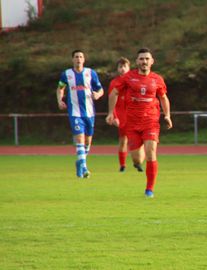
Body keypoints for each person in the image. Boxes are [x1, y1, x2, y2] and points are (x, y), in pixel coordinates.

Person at [106, 48, 173, 198]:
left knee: (151, 153)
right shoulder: (128, 77)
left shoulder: (157, 79)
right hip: (132, 123)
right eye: (141, 59)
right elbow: (114, 93)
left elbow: (163, 98)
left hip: (150, 121)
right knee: (137, 158)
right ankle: (138, 157)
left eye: (147, 59)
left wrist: (167, 115)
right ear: (137, 62)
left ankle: (149, 189)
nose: (144, 61)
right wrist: (111, 113)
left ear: (152, 61)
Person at [56, 49, 104, 178]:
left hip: (89, 113)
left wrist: (98, 95)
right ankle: (85, 168)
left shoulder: (91, 73)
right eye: (76, 56)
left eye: (80, 57)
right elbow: (60, 88)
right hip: (75, 113)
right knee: (80, 139)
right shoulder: (66, 74)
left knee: (87, 142)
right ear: (72, 59)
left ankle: (79, 162)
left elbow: (100, 89)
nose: (78, 59)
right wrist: (60, 100)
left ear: (84, 59)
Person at [108, 57, 145, 172]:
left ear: (129, 68)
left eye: (125, 66)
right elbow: (111, 99)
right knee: (123, 140)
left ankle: (138, 162)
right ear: (118, 69)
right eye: (120, 66)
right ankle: (122, 165)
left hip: (134, 115)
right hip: (121, 116)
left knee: (140, 139)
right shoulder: (114, 83)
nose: (122, 69)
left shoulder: (134, 81)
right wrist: (113, 116)